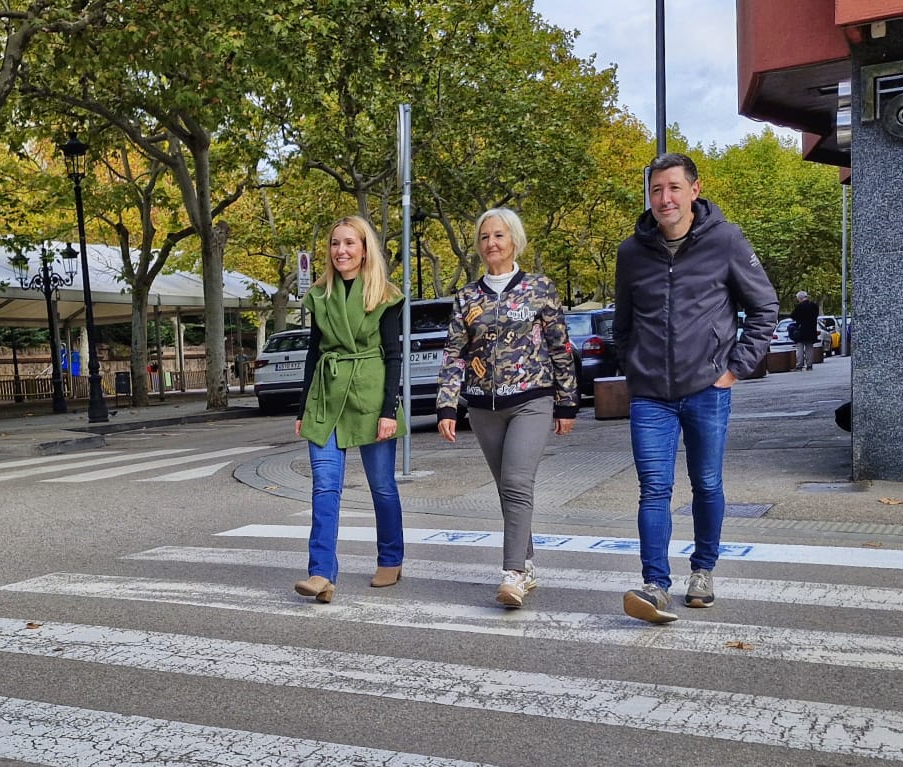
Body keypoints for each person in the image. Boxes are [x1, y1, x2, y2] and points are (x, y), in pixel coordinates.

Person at [613, 152, 778, 624]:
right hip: (650, 396)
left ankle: (703, 570)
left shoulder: (724, 241)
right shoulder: (631, 253)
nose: (664, 198)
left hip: (707, 388)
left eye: (673, 188)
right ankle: (655, 584)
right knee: (653, 489)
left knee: (706, 483)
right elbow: (622, 325)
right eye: (656, 190)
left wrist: (733, 369)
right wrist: (634, 370)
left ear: (694, 190)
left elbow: (765, 308)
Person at [434, 207, 578, 607]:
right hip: (482, 408)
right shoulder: (467, 297)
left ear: (514, 239)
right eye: (484, 237)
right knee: (507, 487)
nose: (491, 243)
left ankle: (512, 573)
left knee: (517, 482)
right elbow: (454, 354)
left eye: (498, 236)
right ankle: (527, 563)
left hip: (532, 399)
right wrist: (447, 406)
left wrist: (568, 402)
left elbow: (560, 348)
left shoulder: (539, 288)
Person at [292, 215, 406, 603]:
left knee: (382, 487)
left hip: (371, 396)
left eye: (349, 243)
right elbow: (312, 354)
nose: (340, 251)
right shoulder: (320, 295)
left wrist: (389, 409)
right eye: (335, 244)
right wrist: (301, 407)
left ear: (363, 248)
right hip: (326, 396)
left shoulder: (385, 294)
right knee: (324, 486)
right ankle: (321, 573)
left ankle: (391, 559)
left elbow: (394, 355)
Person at [789, 290, 821, 371]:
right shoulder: (814, 306)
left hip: (801, 330)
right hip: (811, 329)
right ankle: (809, 365)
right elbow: (816, 315)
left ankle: (799, 365)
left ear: (800, 298)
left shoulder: (799, 307)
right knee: (809, 348)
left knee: (800, 347)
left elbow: (793, 316)